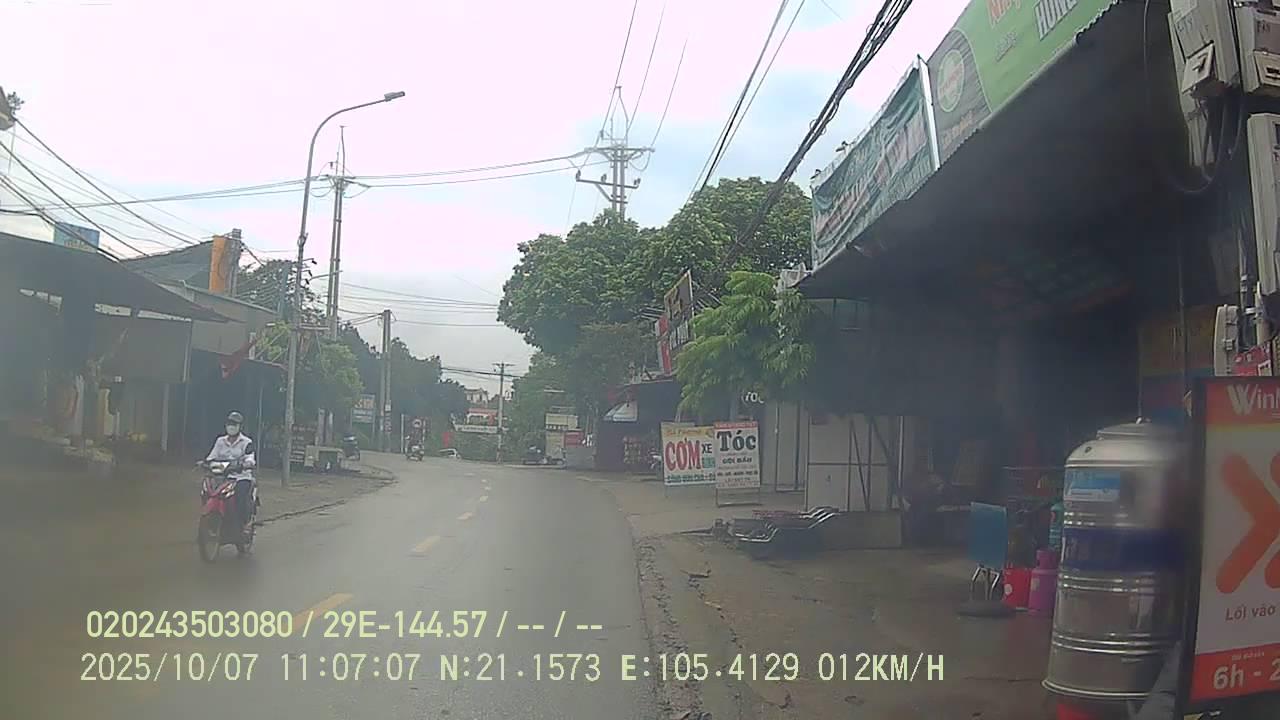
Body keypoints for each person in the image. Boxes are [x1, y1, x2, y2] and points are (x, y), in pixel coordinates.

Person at [204, 411, 257, 534]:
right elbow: (212, 457)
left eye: (234, 424)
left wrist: (246, 464)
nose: (231, 426)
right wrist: (205, 462)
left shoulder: (247, 442)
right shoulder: (220, 441)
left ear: (240, 426)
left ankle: (244, 524)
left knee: (240, 496)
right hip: (221, 477)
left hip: (240, 477)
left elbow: (250, 459)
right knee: (207, 491)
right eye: (229, 423)